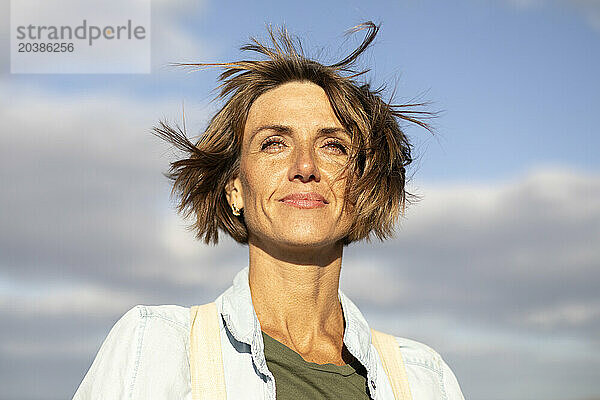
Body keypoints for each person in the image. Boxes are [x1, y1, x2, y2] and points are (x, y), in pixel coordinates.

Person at [73, 21, 466, 399]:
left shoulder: (424, 379)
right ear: (235, 189)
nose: (305, 167)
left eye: (334, 146)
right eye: (273, 143)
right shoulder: (156, 347)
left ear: (364, 185)